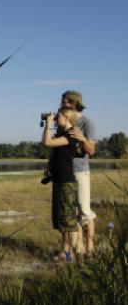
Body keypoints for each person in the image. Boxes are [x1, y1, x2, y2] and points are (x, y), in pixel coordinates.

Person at [60, 91, 96, 259]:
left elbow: (91, 151)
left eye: (64, 102)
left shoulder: (87, 123)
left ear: (73, 103)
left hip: (81, 171)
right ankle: (77, 249)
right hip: (65, 171)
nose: (61, 104)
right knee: (70, 213)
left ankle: (90, 247)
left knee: (84, 211)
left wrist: (82, 138)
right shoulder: (63, 121)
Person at [43, 107, 80, 261]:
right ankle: (64, 251)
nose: (56, 117)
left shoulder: (71, 135)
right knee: (61, 220)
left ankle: (69, 253)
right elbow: (53, 151)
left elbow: (47, 142)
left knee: (69, 220)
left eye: (58, 116)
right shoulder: (61, 134)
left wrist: (48, 125)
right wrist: (50, 167)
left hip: (67, 183)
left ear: (66, 118)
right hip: (59, 181)